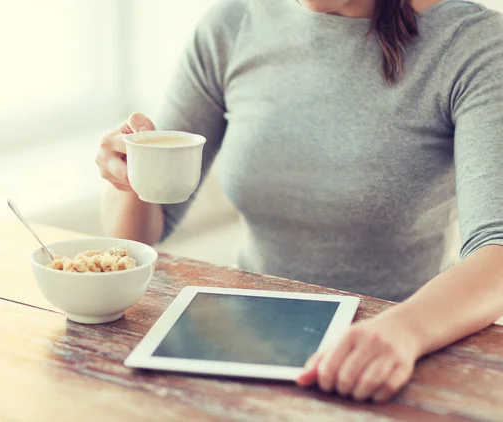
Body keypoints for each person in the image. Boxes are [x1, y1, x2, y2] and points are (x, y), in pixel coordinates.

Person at [96, 0, 503, 403]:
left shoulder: (472, 43)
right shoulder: (233, 25)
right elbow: (138, 232)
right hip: (247, 354)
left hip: (394, 356)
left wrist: (404, 330)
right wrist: (131, 172)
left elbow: (496, 249)